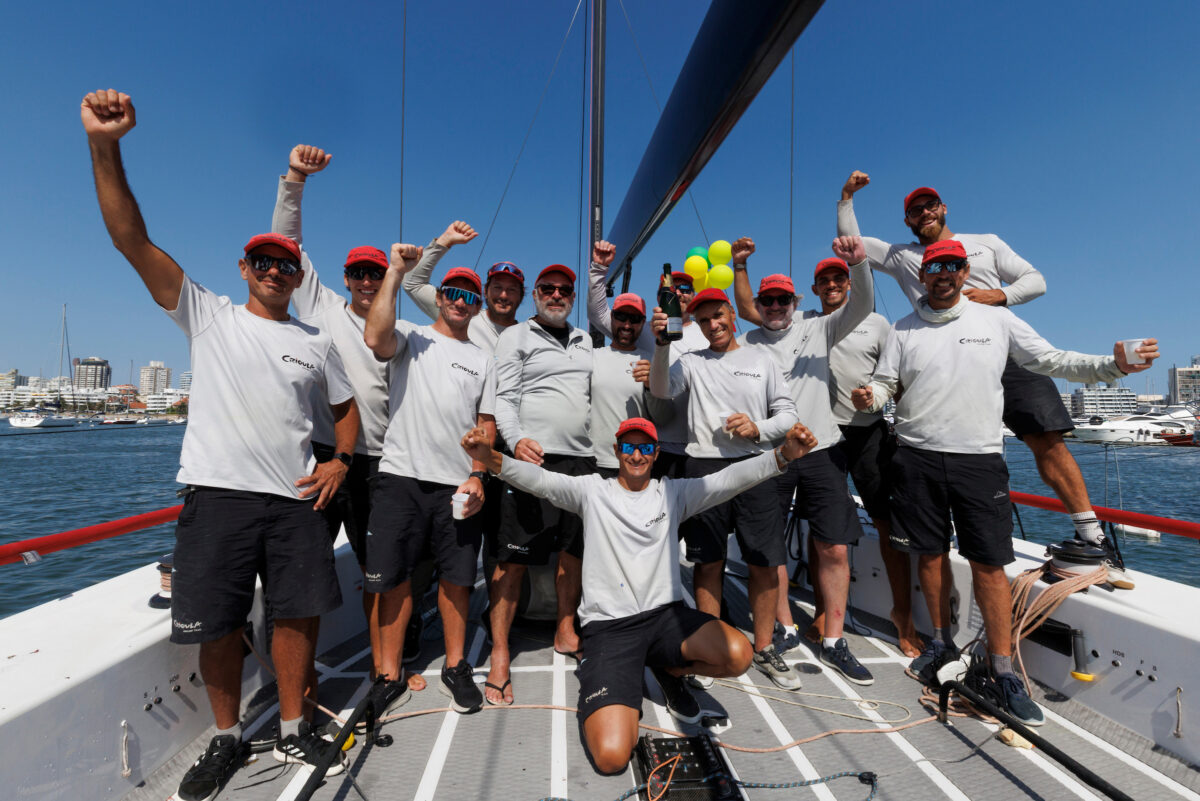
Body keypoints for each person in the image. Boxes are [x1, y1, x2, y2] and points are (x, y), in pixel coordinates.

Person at [82, 89, 359, 800]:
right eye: (263, 261)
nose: (275, 270)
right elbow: (130, 241)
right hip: (218, 500)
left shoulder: (317, 340)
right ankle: (228, 738)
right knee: (219, 627)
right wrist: (104, 146)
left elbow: (347, 409)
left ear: (298, 276)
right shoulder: (208, 316)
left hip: (296, 501)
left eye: (286, 264)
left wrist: (340, 460)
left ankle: (294, 724)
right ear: (243, 269)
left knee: (297, 619)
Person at [851, 238, 1159, 726]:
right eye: (934, 266)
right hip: (916, 458)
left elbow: (1052, 360)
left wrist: (1113, 365)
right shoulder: (904, 328)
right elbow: (887, 383)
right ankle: (940, 644)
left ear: (964, 272)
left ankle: (1002, 669)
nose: (943, 273)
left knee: (990, 566)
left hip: (979, 460)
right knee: (928, 555)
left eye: (953, 266)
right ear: (922, 275)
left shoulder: (995, 319)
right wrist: (871, 396)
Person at [460, 417, 820, 774]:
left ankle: (666, 667)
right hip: (610, 630)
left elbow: (729, 479)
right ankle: (619, 674)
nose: (636, 455)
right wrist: (488, 457)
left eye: (645, 447)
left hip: (665, 619)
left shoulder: (673, 493)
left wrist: (783, 455)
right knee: (612, 757)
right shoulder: (591, 491)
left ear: (656, 453)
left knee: (739, 655)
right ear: (617, 451)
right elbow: (537, 480)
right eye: (629, 447)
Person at [837, 171, 1129, 584]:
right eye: (915, 210)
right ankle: (942, 531)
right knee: (932, 449)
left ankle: (1091, 534)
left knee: (1046, 440)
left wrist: (1000, 295)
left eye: (930, 205)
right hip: (939, 358)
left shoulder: (986, 243)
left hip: (1002, 349)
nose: (924, 213)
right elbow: (852, 244)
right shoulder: (903, 256)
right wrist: (846, 198)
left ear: (944, 208)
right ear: (907, 221)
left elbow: (1036, 281)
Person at [270, 144, 427, 690]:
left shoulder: (401, 332)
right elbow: (288, 243)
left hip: (382, 465)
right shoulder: (320, 308)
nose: (366, 281)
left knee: (379, 573)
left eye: (375, 273)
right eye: (358, 273)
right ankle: (301, 680)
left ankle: (387, 667)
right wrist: (295, 180)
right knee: (304, 572)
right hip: (323, 459)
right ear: (344, 277)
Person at [729, 236, 877, 685]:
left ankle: (834, 640)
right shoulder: (745, 343)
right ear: (759, 306)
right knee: (768, 545)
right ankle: (786, 626)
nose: (775, 306)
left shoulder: (820, 328)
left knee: (833, 546)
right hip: (769, 455)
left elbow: (862, 302)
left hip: (821, 449)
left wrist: (860, 263)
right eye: (768, 300)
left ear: (795, 303)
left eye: (783, 299)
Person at [362, 245, 497, 715]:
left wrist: (478, 475)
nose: (461, 301)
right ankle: (389, 673)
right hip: (400, 478)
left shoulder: (483, 359)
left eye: (470, 297)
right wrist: (395, 272)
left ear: (477, 308)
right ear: (439, 298)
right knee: (394, 581)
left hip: (457, 485)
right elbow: (374, 337)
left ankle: (456, 666)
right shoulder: (411, 336)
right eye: (453, 292)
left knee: (457, 580)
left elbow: (486, 422)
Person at [649, 287, 801, 691]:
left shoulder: (762, 360)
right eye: (703, 320)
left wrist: (758, 428)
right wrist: (662, 346)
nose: (712, 325)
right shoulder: (691, 362)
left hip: (755, 468)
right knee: (708, 561)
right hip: (704, 467)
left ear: (731, 313)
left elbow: (787, 414)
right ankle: (712, 645)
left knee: (764, 563)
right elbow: (661, 390)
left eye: (718, 316)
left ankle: (764, 647)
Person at [490, 264, 594, 705]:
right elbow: (504, 398)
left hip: (581, 460)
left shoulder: (584, 339)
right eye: (548, 288)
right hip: (533, 458)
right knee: (512, 558)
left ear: (572, 296)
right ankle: (499, 652)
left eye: (564, 290)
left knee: (573, 552)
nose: (556, 295)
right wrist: (515, 441)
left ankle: (565, 629)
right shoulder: (515, 336)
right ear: (534, 294)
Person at [589, 248, 706, 478]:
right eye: (671, 289)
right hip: (658, 445)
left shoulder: (707, 333)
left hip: (698, 445)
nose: (678, 294)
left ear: (693, 296)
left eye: (685, 289)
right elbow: (597, 312)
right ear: (660, 297)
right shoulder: (645, 330)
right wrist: (599, 269)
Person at [403, 224, 523, 352]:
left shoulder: (529, 337)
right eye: (497, 287)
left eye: (511, 290)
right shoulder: (463, 312)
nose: (503, 295)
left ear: (521, 295)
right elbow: (413, 283)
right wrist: (444, 242)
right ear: (485, 292)